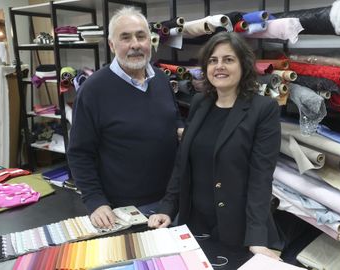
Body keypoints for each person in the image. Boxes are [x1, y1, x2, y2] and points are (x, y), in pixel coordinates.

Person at [148, 32, 283, 261]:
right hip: (195, 224)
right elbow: (183, 162)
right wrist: (167, 207)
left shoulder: (263, 109)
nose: (219, 66)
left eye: (228, 60)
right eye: (213, 60)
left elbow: (261, 178)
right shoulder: (200, 103)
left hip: (238, 230)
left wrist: (257, 239)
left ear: (244, 65)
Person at [67, 6, 183, 229]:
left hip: (169, 203)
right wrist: (95, 201)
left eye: (141, 36)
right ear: (112, 45)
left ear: (150, 41)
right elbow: (79, 153)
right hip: (123, 211)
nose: (135, 44)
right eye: (125, 37)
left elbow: (173, 115)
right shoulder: (93, 90)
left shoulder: (160, 79)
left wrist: (179, 127)